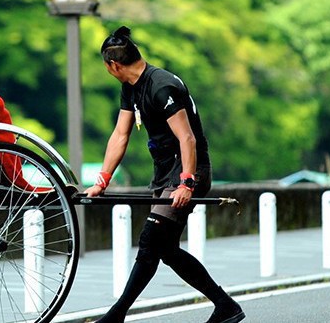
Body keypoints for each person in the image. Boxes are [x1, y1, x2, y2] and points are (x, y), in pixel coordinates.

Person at [87, 26, 245, 323]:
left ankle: (115, 316)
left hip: (189, 170)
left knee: (150, 241)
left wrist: (187, 182)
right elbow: (120, 135)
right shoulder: (131, 87)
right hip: (165, 173)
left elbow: (188, 138)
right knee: (166, 250)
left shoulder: (161, 86)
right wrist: (101, 181)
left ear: (114, 65)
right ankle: (226, 306)